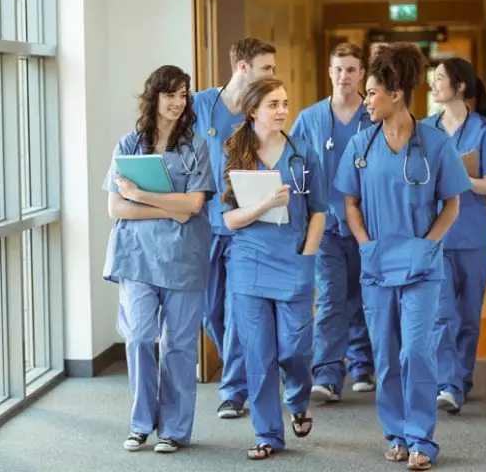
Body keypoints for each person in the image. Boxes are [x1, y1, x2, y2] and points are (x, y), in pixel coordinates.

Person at [334, 43, 473, 470]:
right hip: (376, 265)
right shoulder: (361, 142)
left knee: (416, 352)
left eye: (372, 92)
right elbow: (350, 203)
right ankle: (395, 434)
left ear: (395, 94)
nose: (366, 98)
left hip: (420, 266)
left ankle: (421, 441)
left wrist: (427, 244)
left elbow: (452, 203)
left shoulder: (434, 143)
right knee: (387, 354)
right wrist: (364, 244)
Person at [102, 65, 216, 453]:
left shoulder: (195, 146)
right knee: (137, 338)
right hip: (137, 258)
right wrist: (168, 207)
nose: (177, 102)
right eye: (170, 94)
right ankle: (140, 423)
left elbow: (194, 205)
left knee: (180, 346)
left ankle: (174, 429)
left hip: (183, 258)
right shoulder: (128, 146)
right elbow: (116, 208)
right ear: (154, 98)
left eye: (183, 95)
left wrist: (141, 194)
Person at [221, 77, 326, 460]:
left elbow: (319, 212)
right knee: (258, 354)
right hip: (249, 263)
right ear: (252, 111)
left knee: (295, 350)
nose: (283, 110)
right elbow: (230, 219)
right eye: (273, 104)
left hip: (294, 260)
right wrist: (265, 204)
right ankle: (268, 434)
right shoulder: (233, 152)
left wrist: (307, 257)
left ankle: (298, 399)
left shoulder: (304, 154)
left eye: (285, 102)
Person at [192, 37, 277, 419]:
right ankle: (247, 368)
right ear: (243, 67)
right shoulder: (200, 105)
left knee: (239, 308)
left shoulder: (259, 110)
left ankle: (234, 390)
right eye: (267, 68)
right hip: (204, 224)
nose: (273, 75)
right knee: (211, 311)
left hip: (244, 225)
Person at [424, 58, 486, 414]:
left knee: (469, 315)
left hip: (474, 238)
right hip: (438, 235)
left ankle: (460, 379)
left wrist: (458, 179)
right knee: (442, 312)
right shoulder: (426, 130)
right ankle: (448, 384)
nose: (434, 84)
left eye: (440, 78)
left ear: (459, 86)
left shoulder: (485, 130)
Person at [290, 42, 376, 402]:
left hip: (367, 224)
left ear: (362, 74)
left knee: (363, 294)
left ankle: (361, 364)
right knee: (330, 297)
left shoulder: (374, 116)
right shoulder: (310, 119)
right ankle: (326, 373)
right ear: (329, 72)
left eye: (352, 69)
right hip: (325, 226)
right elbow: (291, 163)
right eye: (338, 69)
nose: (344, 76)